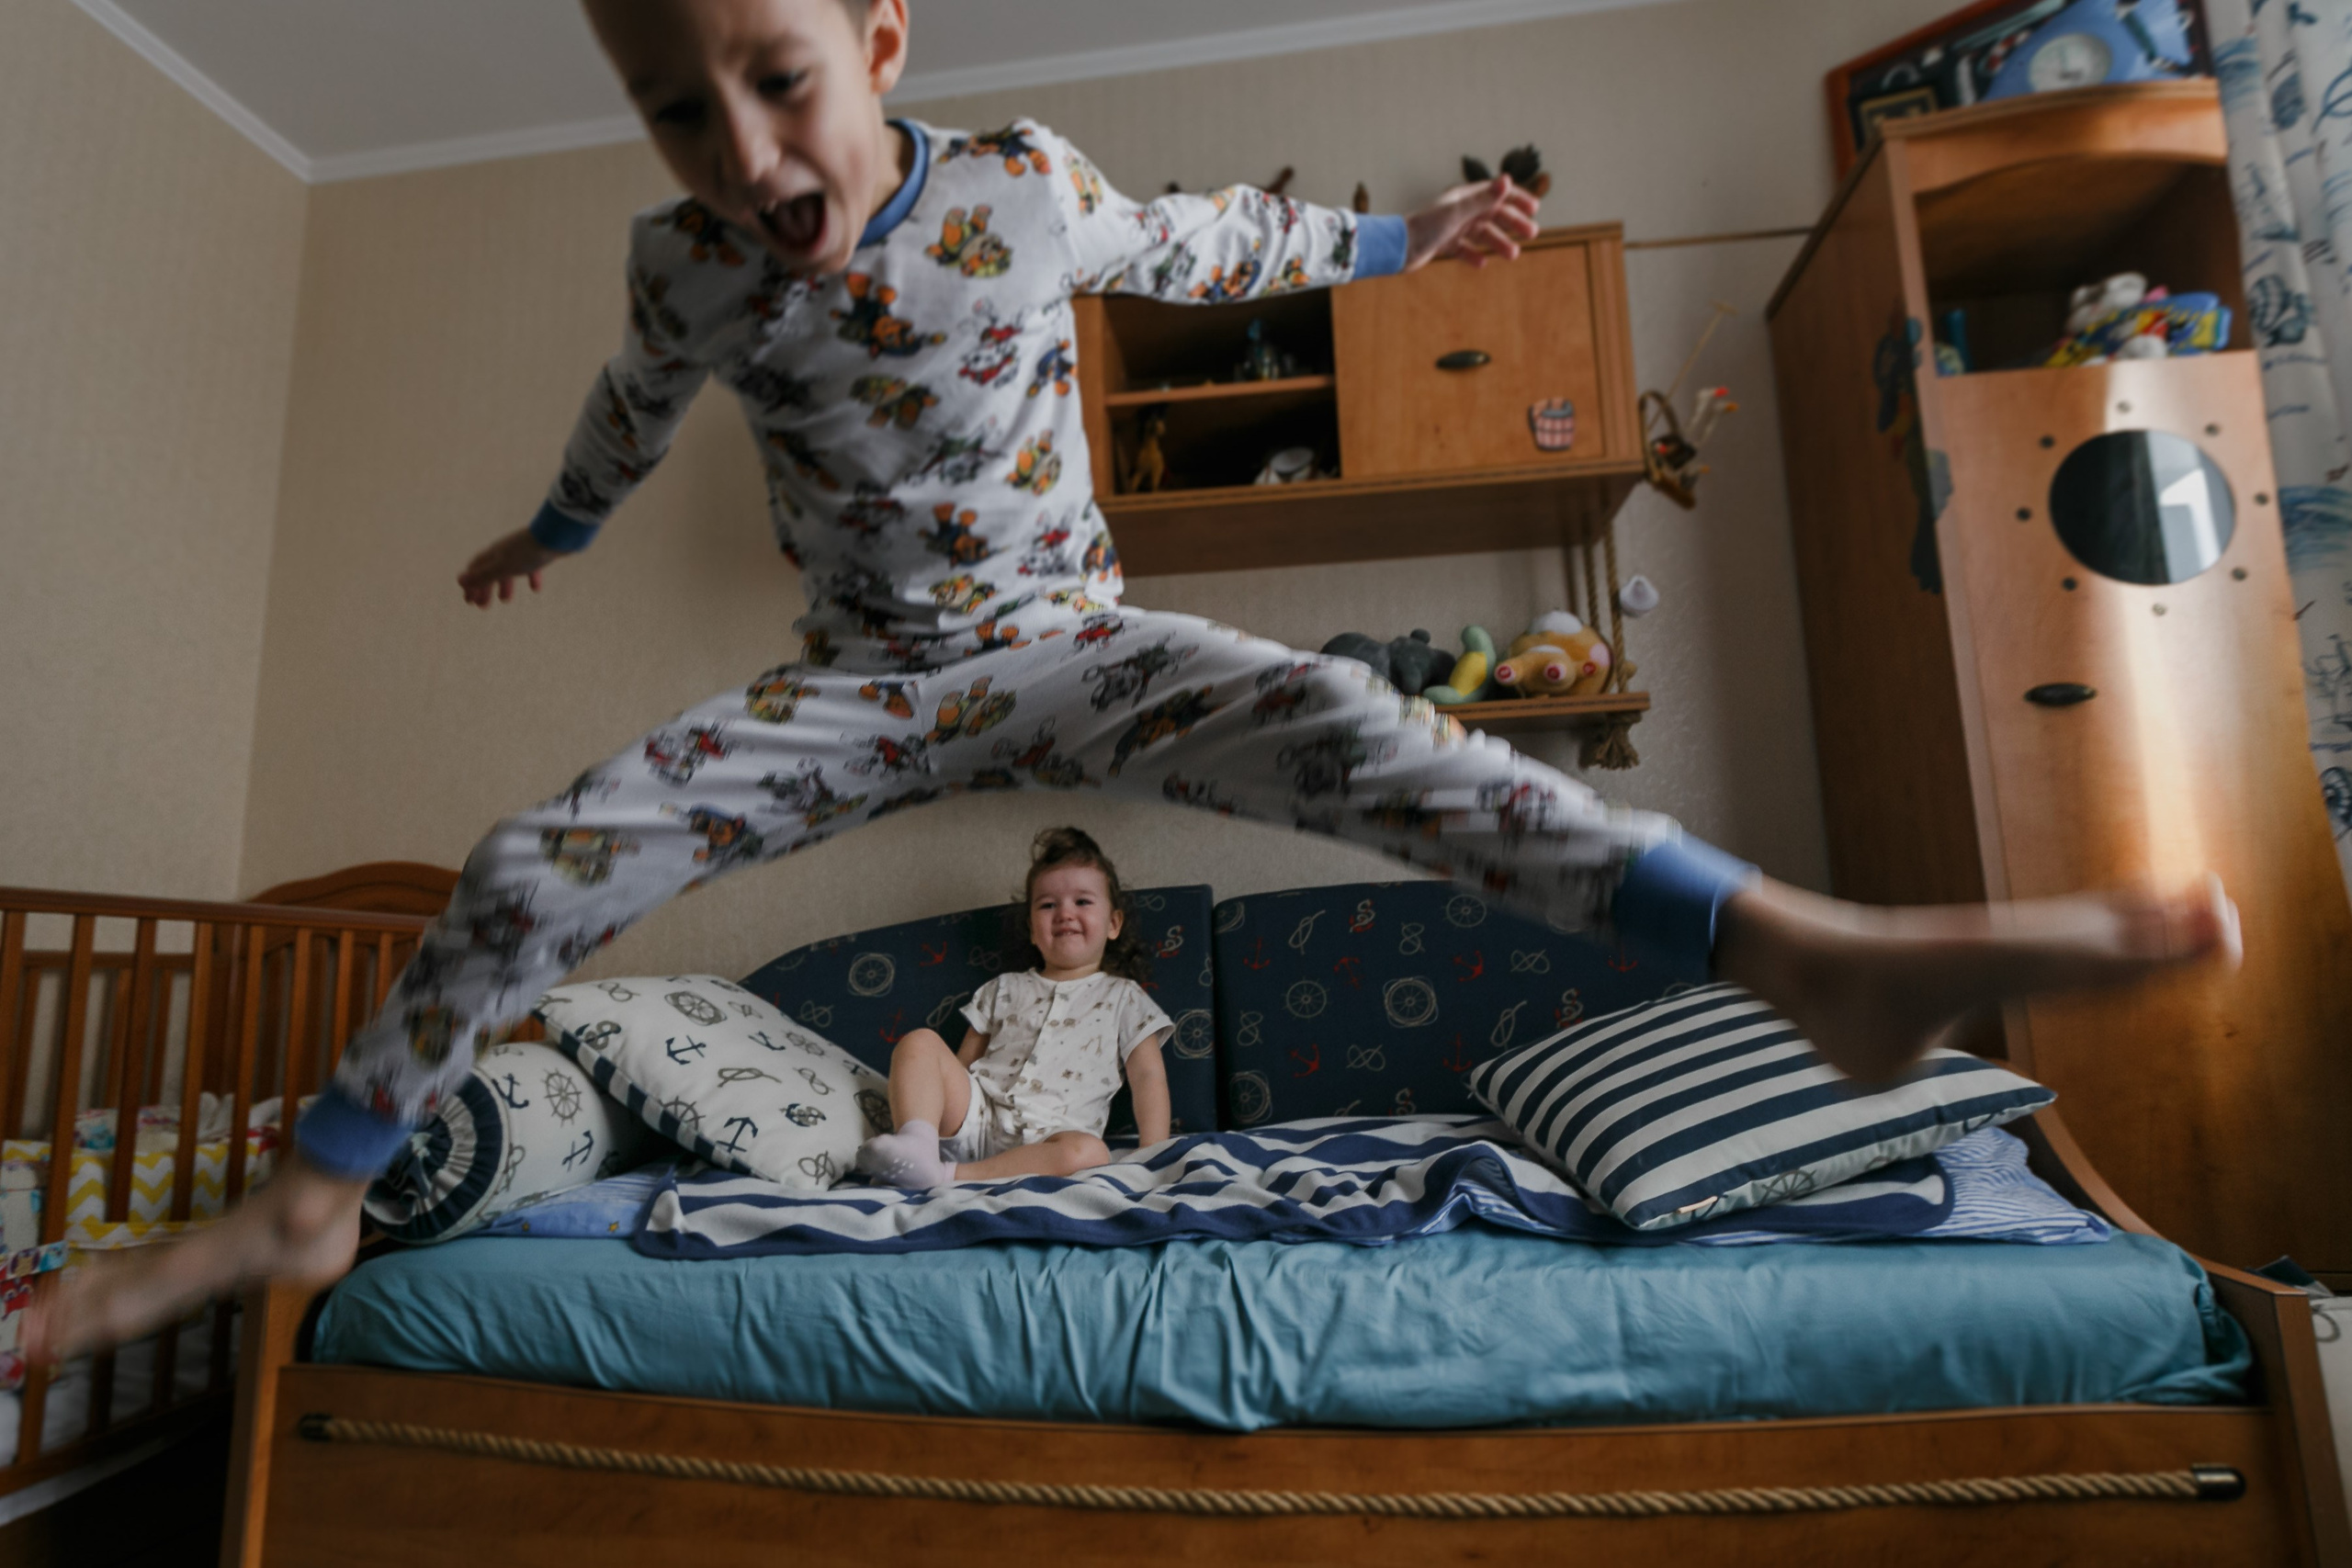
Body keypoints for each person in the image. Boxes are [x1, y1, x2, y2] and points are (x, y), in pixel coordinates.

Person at [24, 0, 2240, 1362]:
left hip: (1078, 649)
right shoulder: (681, 262)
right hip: (865, 682)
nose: (745, 158)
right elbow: (629, 404)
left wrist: (1397, 244)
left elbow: (1211, 239)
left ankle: (1793, 947)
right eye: (675, 113)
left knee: (1368, 732)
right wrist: (559, 528)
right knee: (534, 857)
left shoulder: (1017, 191)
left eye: (775, 83)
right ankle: (314, 1186)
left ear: (880, 37)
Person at [856, 827, 1170, 1188]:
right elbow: (961, 1064)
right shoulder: (1003, 988)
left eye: (1082, 902)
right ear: (1033, 930)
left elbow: (1148, 1077)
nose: (1065, 913)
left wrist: (1152, 1153)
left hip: (1053, 1138)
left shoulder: (1125, 997)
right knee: (919, 1042)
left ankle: (945, 1176)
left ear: (1113, 924)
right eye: (1048, 905)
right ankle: (917, 1145)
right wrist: (942, 1100)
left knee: (1091, 1153)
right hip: (976, 1120)